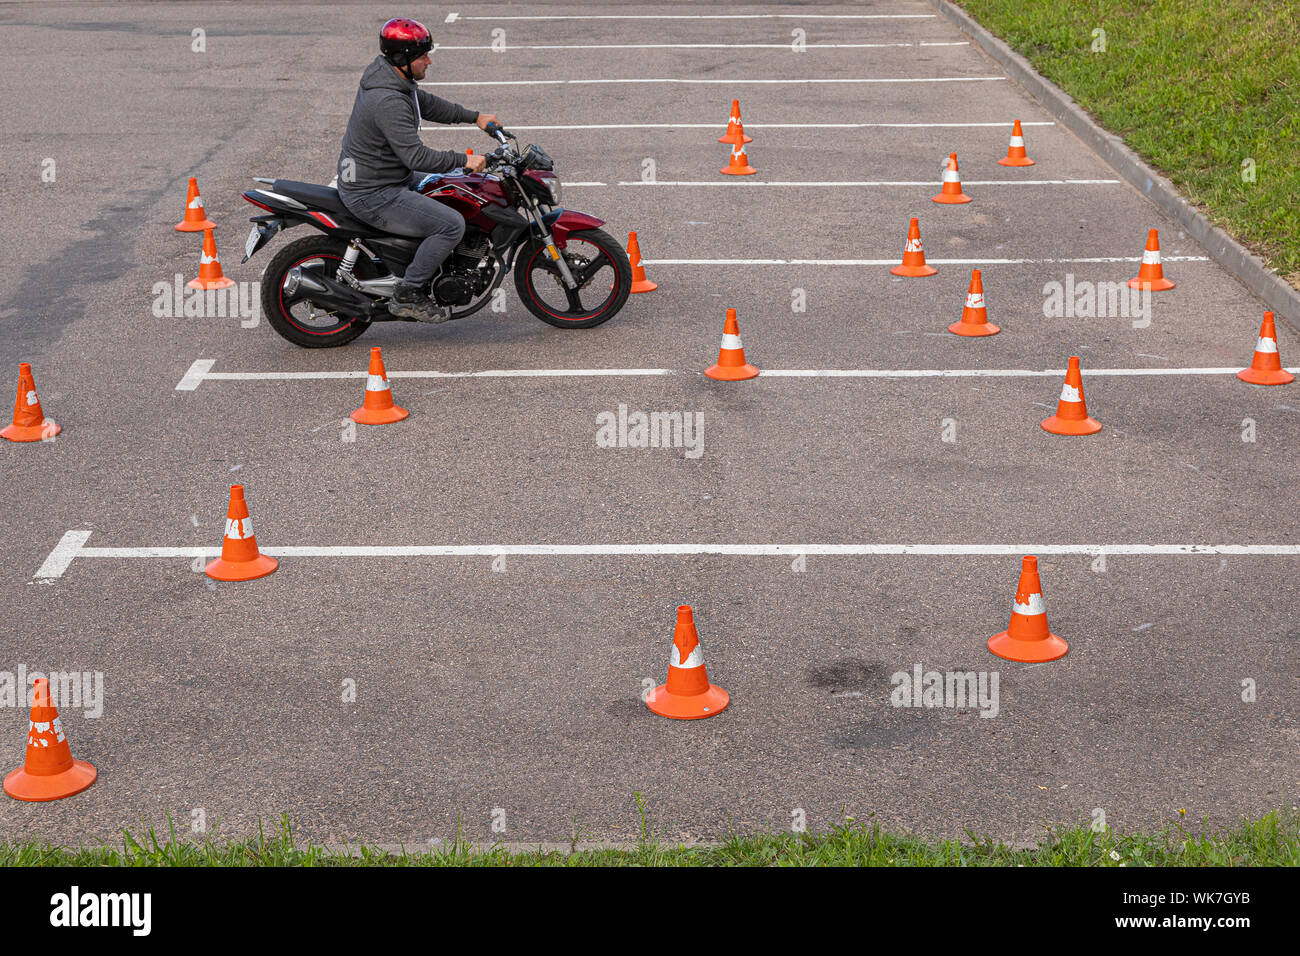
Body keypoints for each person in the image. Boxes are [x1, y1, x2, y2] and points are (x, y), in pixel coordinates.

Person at [336, 17, 498, 321]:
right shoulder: (387, 99)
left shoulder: (396, 81)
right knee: (450, 224)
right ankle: (408, 293)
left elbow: (427, 104)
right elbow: (416, 156)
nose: (429, 61)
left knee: (455, 189)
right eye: (423, 55)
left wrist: (474, 117)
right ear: (404, 59)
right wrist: (463, 160)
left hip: (385, 177)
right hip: (372, 191)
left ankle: (424, 264)